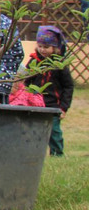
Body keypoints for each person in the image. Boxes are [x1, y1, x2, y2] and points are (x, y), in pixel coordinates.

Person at [25, 26, 74, 156]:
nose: (42, 49)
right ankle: (33, 153)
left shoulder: (60, 65)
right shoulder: (34, 61)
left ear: (55, 48)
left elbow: (68, 86)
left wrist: (64, 107)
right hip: (35, 104)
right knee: (34, 131)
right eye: (40, 46)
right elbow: (26, 80)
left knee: (54, 132)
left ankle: (57, 153)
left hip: (53, 105)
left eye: (46, 47)